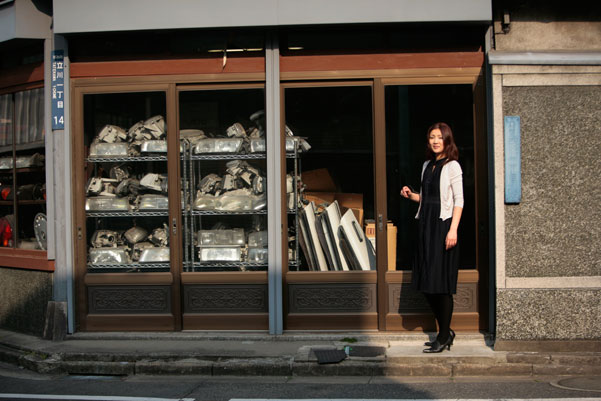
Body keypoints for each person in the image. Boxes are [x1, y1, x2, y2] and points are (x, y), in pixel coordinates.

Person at [400, 122, 464, 353]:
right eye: (432, 137)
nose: (435, 141)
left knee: (441, 285)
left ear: (447, 140)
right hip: (425, 226)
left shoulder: (453, 166)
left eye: (439, 137)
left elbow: (458, 200)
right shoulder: (427, 165)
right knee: (426, 282)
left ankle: (444, 335)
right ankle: (446, 332)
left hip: (443, 227)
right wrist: (411, 195)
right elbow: (428, 197)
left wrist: (453, 230)